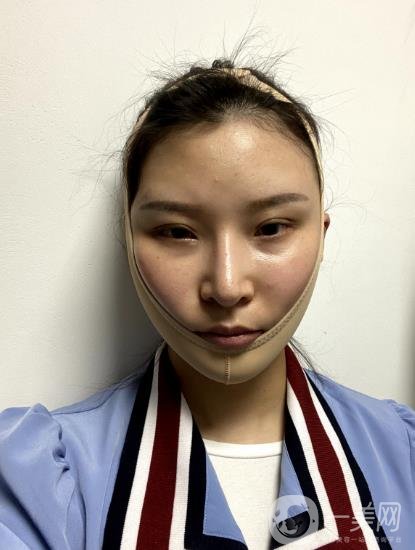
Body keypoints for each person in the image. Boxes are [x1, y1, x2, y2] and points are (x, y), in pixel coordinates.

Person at [0, 58, 414, 550]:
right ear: (129, 241)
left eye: (271, 228)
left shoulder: (403, 453)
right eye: (177, 232)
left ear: (321, 236)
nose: (227, 285)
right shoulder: (35, 481)